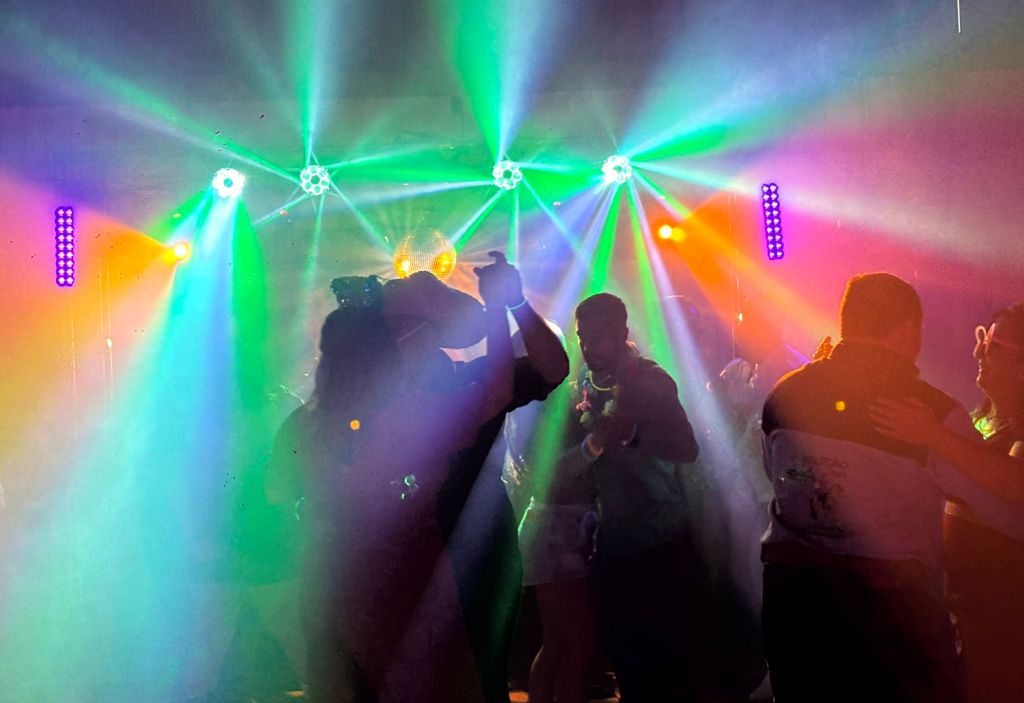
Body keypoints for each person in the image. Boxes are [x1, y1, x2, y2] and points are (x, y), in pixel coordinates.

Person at [264, 260, 517, 702]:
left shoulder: (303, 424)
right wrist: (496, 311)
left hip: (332, 584)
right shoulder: (411, 414)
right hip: (409, 588)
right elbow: (496, 394)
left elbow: (275, 492)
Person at [759, 272, 1016, 703]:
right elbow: (1000, 507)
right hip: (891, 624)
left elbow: (773, 474)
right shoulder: (927, 411)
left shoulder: (784, 393)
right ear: (908, 331)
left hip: (793, 608)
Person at [870, 302, 1024, 702]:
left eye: (993, 347)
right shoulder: (986, 420)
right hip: (974, 610)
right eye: (981, 340)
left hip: (1009, 617)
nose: (977, 352)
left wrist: (933, 434)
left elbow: (1015, 485)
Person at [571, 292, 700, 703]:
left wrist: (630, 434)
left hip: (658, 542)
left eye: (598, 338)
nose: (589, 348)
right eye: (582, 338)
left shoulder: (650, 380)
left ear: (622, 332)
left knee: (663, 665)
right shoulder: (588, 382)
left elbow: (687, 448)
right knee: (626, 660)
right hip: (613, 543)